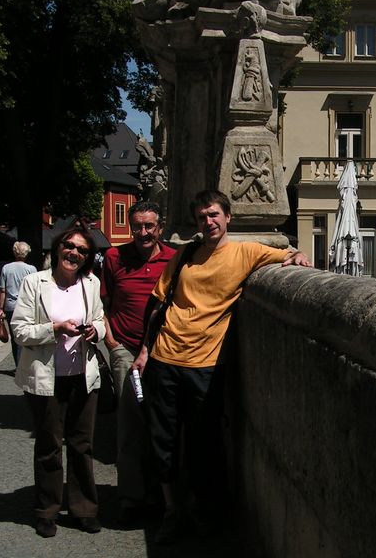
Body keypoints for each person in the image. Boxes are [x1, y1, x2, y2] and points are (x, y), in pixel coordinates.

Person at [132, 189, 311, 544]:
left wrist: (299, 254)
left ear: (227, 217)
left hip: (206, 365)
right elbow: (158, 303)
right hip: (166, 358)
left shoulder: (246, 252)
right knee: (162, 439)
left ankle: (202, 513)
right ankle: (172, 511)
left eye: (213, 214)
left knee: (204, 444)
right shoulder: (185, 255)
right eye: (201, 217)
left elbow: (290, 253)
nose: (208, 222)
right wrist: (144, 350)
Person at [11, 228, 106, 538]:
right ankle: (47, 512)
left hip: (82, 375)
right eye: (69, 246)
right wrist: (54, 328)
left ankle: (84, 510)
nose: (73, 253)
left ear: (87, 257)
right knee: (50, 446)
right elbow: (20, 331)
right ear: (58, 247)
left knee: (82, 446)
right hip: (46, 378)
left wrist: (96, 332)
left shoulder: (91, 284)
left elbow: (101, 319)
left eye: (81, 249)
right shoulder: (34, 282)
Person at [100, 201, 176, 524]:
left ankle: (160, 495)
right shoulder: (115, 257)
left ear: (159, 227)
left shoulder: (173, 259)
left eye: (149, 226)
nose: (143, 232)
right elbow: (100, 303)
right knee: (129, 423)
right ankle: (131, 497)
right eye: (137, 226)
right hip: (126, 350)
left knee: (161, 423)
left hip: (162, 350)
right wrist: (112, 344)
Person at [0, 241, 37, 367]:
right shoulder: (31, 269)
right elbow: (35, 290)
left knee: (15, 338)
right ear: (26, 253)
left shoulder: (6, 268)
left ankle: (18, 365)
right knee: (26, 336)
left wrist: (0, 309)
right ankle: (25, 364)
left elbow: (3, 290)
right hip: (26, 306)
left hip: (10, 306)